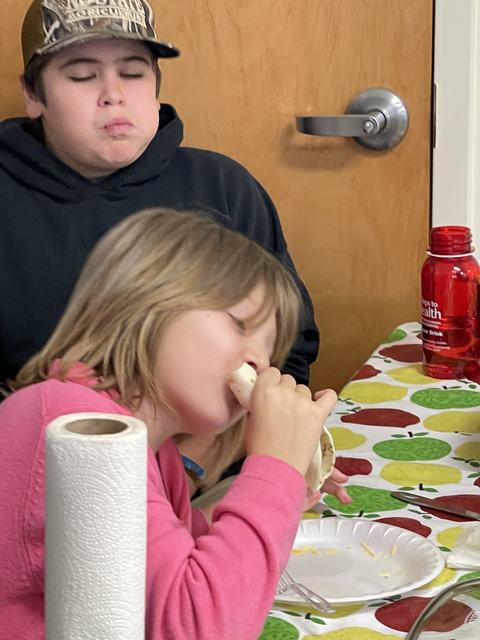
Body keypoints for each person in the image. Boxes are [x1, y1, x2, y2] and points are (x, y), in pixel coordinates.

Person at [0, 207, 344, 640]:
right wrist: (275, 470)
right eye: (240, 324)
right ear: (145, 299)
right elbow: (197, 625)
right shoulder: (70, 422)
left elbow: (161, 566)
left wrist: (280, 490)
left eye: (270, 350)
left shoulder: (156, 453)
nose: (259, 360)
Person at [0, 0, 319, 393]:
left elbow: (290, 345)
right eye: (82, 75)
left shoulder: (223, 188)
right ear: (33, 94)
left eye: (133, 72)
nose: (113, 94)